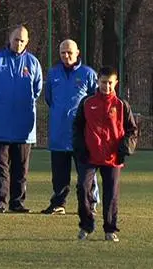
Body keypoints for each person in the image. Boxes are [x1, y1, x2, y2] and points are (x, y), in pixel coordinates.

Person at [0, 24, 43, 213]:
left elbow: (37, 90)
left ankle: (17, 203)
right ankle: (0, 203)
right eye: (16, 39)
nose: (19, 43)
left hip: (24, 128)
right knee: (0, 168)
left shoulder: (33, 63)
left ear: (27, 42)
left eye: (23, 40)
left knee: (20, 169)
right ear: (10, 39)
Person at [73, 66, 138, 242]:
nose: (106, 86)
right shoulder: (87, 102)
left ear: (116, 83)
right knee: (83, 189)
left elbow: (132, 130)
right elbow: (77, 127)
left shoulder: (122, 105)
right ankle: (86, 225)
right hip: (89, 156)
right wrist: (80, 148)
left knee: (111, 195)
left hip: (112, 157)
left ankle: (110, 229)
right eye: (103, 82)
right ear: (98, 81)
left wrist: (125, 148)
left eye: (110, 83)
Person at [41, 39, 100, 215]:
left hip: (81, 134)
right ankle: (59, 203)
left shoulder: (88, 74)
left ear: (77, 52)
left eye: (69, 52)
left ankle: (90, 203)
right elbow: (49, 98)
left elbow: (94, 101)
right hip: (59, 132)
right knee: (59, 175)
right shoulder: (53, 73)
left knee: (86, 173)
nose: (66, 56)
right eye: (62, 53)